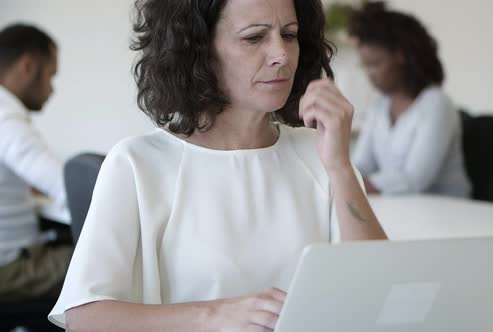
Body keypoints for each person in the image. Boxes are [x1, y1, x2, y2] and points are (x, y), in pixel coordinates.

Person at [49, 0, 387, 330]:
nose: (281, 55)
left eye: (289, 34)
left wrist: (340, 167)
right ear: (197, 50)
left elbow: (379, 292)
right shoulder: (137, 164)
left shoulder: (320, 152)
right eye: (254, 37)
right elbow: (84, 318)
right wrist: (213, 317)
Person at [349, 2, 471, 197]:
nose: (369, 74)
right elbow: (362, 164)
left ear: (401, 56)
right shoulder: (379, 106)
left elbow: (414, 179)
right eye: (365, 66)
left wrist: (351, 184)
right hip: (404, 210)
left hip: (448, 215)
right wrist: (344, 177)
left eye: (375, 63)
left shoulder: (436, 104)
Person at [0, 24, 72, 302]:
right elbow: (64, 184)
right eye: (51, 76)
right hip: (9, 268)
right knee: (106, 264)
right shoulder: (6, 119)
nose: (51, 90)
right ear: (28, 66)